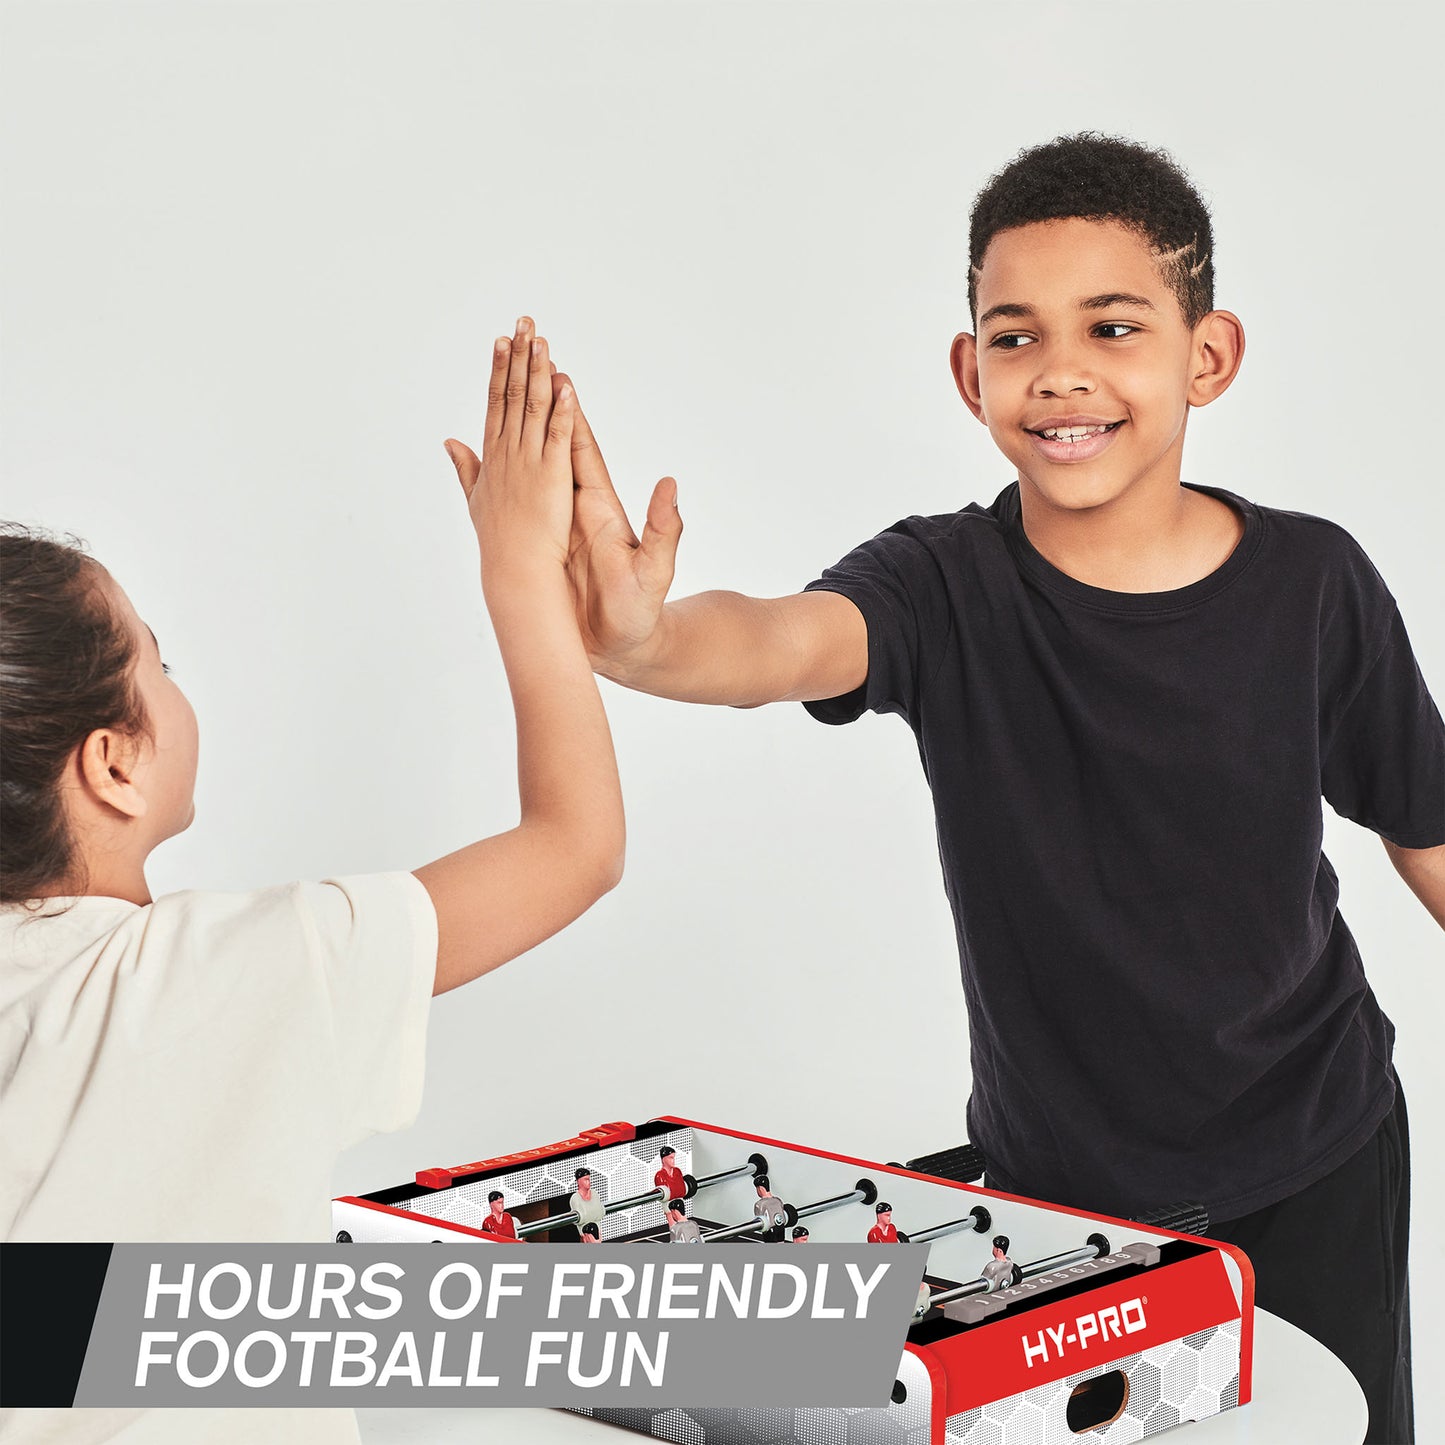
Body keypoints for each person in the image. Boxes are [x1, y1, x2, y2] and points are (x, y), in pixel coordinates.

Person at [557, 135, 1445, 1443]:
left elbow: (1424, 829)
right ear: (972, 373)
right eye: (1017, 337)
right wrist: (643, 640)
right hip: (1064, 1203)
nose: (1063, 371)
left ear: (1207, 355)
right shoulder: (940, 585)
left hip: (1316, 1162)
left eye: (1114, 326)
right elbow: (779, 640)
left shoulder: (1313, 584)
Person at [0, 320, 623, 1444]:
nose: (177, 683)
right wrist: (520, 571)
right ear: (114, 762)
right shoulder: (239, 972)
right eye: (160, 659)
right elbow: (575, 843)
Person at [571, 1167, 606, 1233]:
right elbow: (582, 1217)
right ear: (578, 1181)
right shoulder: (575, 1198)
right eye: (586, 1180)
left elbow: (599, 1212)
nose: (588, 1182)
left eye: (589, 1179)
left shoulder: (594, 1194)